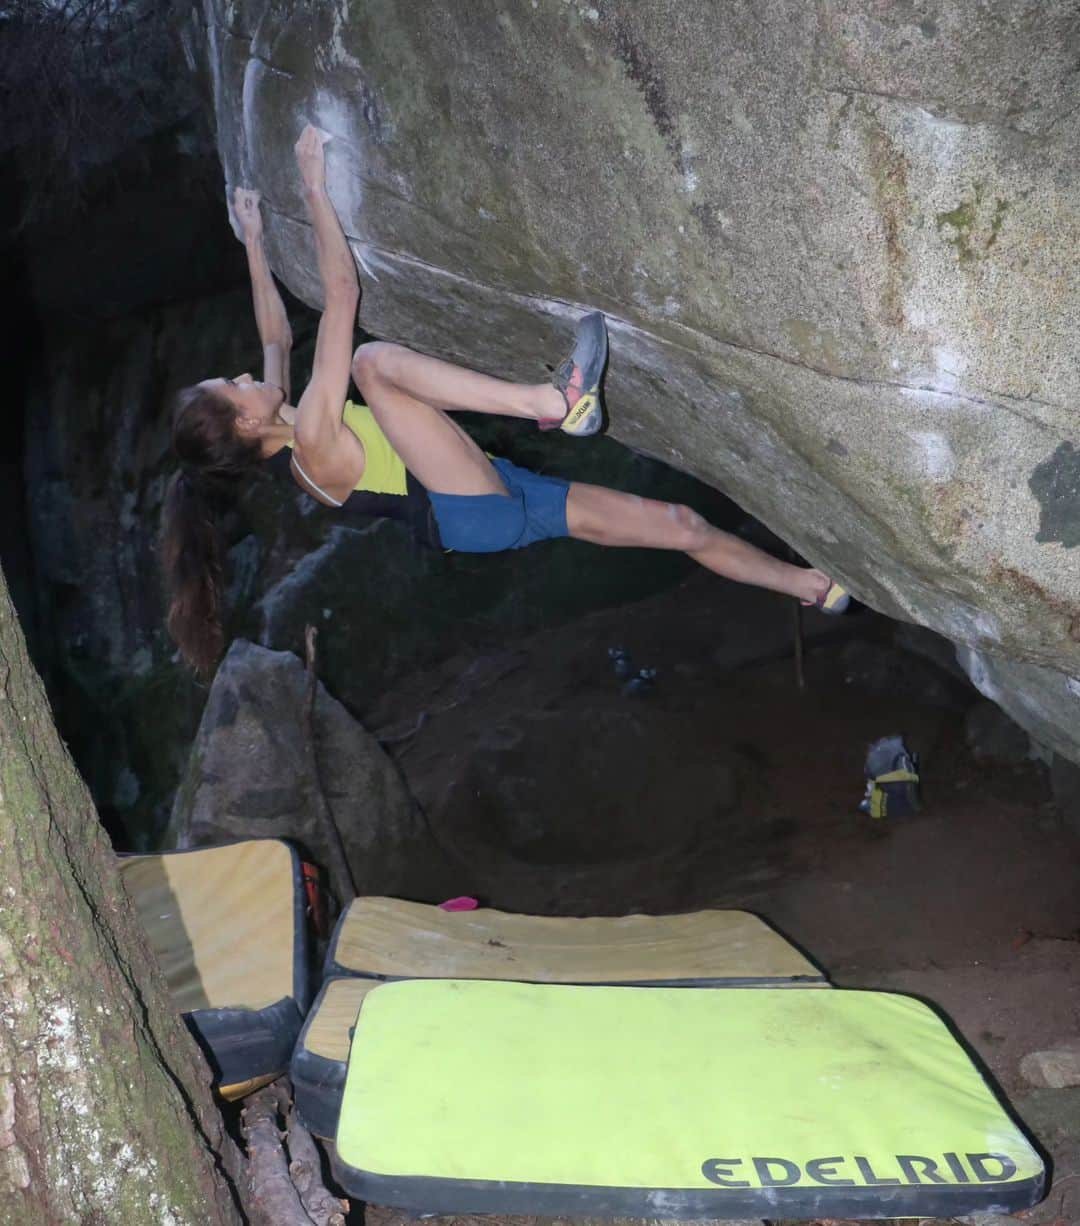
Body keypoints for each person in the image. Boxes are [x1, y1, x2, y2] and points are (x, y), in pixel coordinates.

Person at [162, 124, 849, 677]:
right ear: (246, 421)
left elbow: (274, 333)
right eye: (235, 384)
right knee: (371, 364)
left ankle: (810, 588)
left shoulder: (278, 417)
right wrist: (314, 190)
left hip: (492, 495)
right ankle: (552, 402)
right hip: (462, 510)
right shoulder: (311, 438)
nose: (246, 374)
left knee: (681, 524)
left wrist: (254, 240)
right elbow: (342, 294)